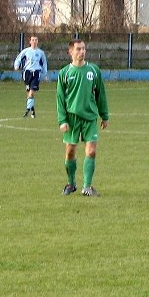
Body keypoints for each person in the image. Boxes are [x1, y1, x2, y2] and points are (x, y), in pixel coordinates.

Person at [56, 39, 110, 197]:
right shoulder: (65, 73)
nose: (82, 52)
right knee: (70, 152)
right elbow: (60, 98)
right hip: (72, 119)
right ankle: (71, 183)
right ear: (70, 52)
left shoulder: (94, 71)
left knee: (91, 151)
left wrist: (104, 115)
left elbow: (101, 94)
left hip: (90, 118)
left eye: (84, 49)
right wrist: (62, 120)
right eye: (78, 49)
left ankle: (87, 186)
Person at [13, 35, 48, 118]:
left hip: (36, 73)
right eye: (33, 40)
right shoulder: (26, 51)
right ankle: (32, 111)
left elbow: (44, 64)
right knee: (29, 93)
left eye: (36, 40)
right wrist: (16, 65)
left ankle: (27, 109)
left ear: (38, 41)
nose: (34, 41)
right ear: (30, 41)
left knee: (32, 91)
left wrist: (45, 74)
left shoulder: (41, 53)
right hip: (27, 73)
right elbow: (18, 58)